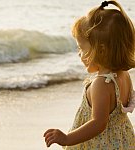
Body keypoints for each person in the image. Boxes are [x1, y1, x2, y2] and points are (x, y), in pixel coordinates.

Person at [43, 1, 135, 149]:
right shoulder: (124, 75)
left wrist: (67, 138)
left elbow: (98, 123)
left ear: (101, 50)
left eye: (81, 48)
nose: (79, 53)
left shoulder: (101, 84)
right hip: (121, 142)